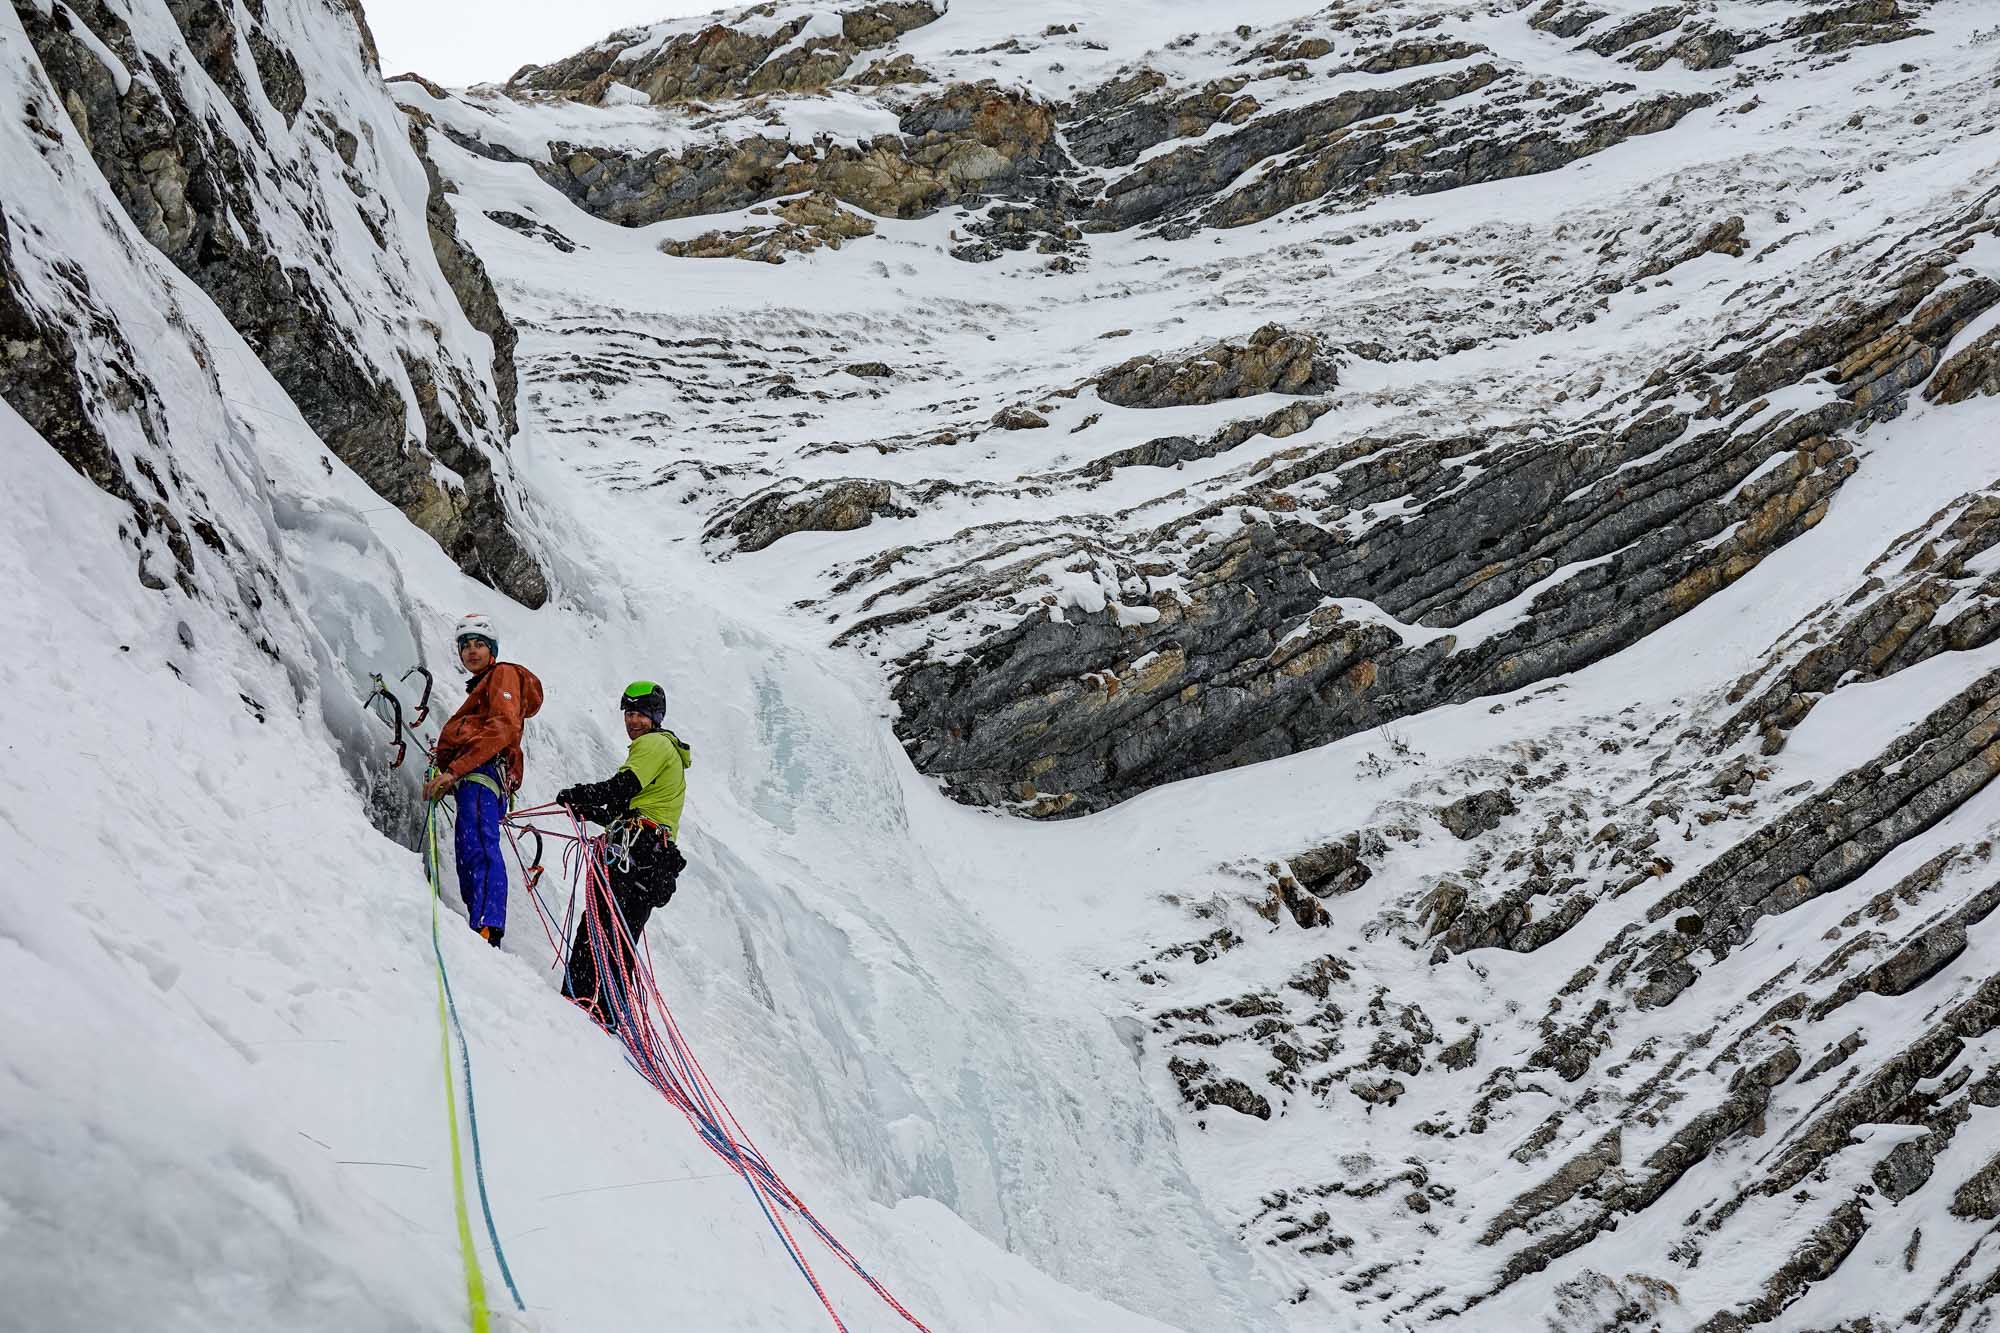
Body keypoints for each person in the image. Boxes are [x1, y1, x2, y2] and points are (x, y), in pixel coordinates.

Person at [555, 681, 692, 1030]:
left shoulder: (653, 744)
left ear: (655, 717)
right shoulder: (669, 751)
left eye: (640, 714)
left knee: (598, 927)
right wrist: (591, 811)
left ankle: (579, 1002)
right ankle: (608, 1013)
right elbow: (631, 806)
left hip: (638, 851)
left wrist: (579, 793)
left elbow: (623, 788)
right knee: (620, 932)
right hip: (652, 860)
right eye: (629, 714)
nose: (633, 721)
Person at [423, 613, 543, 946]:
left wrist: (453, 771)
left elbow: (502, 728)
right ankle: (482, 920)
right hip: (478, 775)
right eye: (466, 646)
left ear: (493, 650)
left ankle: (488, 924)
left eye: (480, 645)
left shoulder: (502, 674)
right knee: (469, 846)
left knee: (477, 843)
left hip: (483, 773)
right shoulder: (484, 686)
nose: (472, 652)